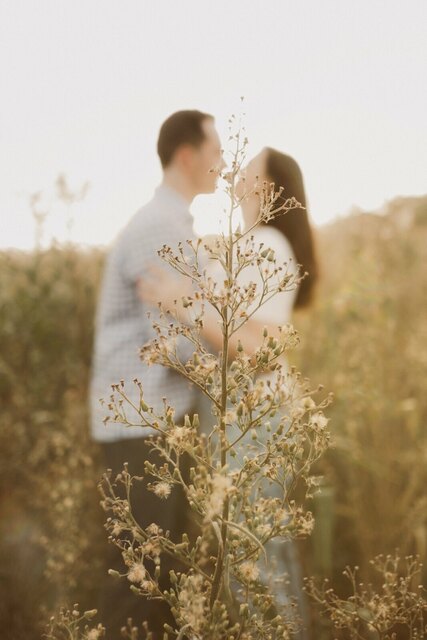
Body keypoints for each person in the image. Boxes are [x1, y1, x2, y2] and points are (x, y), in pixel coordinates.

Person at [139, 146, 318, 637]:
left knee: (252, 558)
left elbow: (258, 346)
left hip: (253, 417)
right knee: (261, 553)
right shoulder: (252, 242)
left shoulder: (268, 244)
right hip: (240, 416)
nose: (237, 173)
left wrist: (181, 303)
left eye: (250, 169)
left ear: (269, 187)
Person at [89, 109, 225, 638]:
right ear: (187, 155)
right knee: (139, 579)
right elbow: (177, 343)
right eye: (215, 150)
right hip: (139, 425)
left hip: (150, 422)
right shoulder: (159, 226)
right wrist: (238, 365)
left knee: (162, 576)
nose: (222, 161)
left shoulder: (171, 222)